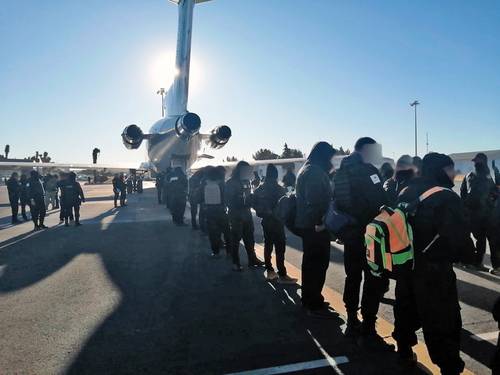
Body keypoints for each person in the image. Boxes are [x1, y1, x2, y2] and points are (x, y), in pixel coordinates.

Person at [393, 153, 474, 374]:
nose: (454, 173)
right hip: (435, 272)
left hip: (405, 266)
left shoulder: (404, 191)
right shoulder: (446, 197)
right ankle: (449, 368)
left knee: (405, 310)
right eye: (450, 169)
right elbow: (460, 241)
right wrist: (469, 255)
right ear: (439, 170)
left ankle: (403, 352)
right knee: (442, 322)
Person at [334, 137, 391, 345]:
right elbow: (380, 203)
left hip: (350, 234)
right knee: (373, 279)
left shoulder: (340, 172)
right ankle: (368, 325)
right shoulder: (368, 172)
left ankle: (351, 320)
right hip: (370, 235)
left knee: (352, 277)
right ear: (364, 150)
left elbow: (338, 202)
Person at [295, 142, 336, 317]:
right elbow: (316, 200)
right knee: (318, 264)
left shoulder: (306, 169)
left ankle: (310, 298)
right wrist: (320, 222)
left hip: (307, 224)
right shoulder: (315, 172)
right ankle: (313, 303)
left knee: (310, 263)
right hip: (316, 226)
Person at [253, 164, 297, 284]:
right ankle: (282, 274)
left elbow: (253, 201)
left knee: (268, 245)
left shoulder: (260, 189)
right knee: (280, 248)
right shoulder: (279, 189)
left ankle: (270, 271)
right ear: (276, 175)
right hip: (277, 222)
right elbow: (288, 201)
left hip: (265, 221)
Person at [460, 152, 498, 271]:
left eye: (477, 161)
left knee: (483, 241)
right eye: (476, 161)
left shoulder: (482, 176)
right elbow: (469, 194)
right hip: (482, 215)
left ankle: (479, 263)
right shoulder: (479, 176)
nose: (476, 163)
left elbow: (464, 194)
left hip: (480, 215)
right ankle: (489, 265)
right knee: (489, 241)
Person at [226, 161, 264, 271]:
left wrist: (251, 199)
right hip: (236, 215)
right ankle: (235, 262)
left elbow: (248, 194)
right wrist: (241, 201)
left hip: (246, 214)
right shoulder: (231, 183)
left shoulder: (246, 181)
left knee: (250, 238)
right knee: (236, 239)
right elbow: (229, 201)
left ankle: (252, 259)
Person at [203, 166, 231, 257]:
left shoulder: (205, 183)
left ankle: (215, 252)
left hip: (209, 212)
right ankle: (229, 252)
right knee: (227, 232)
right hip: (222, 212)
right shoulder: (222, 184)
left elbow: (199, 197)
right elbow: (227, 197)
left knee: (213, 234)